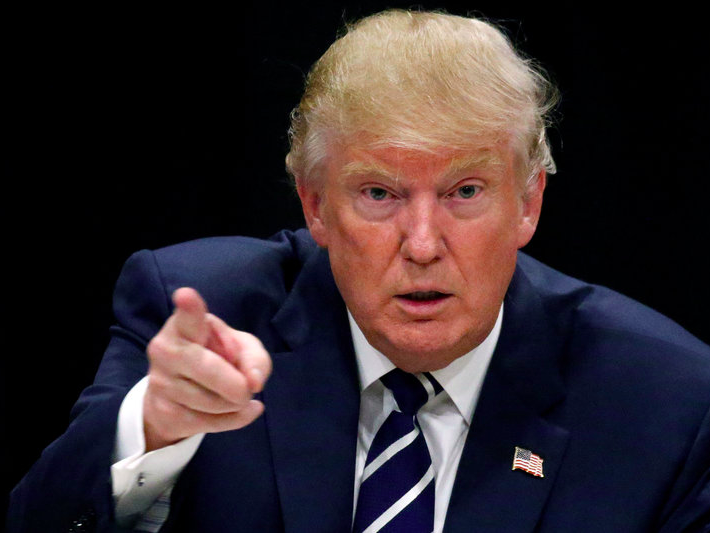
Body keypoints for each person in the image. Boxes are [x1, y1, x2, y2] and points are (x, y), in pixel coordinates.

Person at [9, 9, 710, 533]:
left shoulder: (663, 399)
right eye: (380, 194)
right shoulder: (206, 318)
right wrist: (153, 427)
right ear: (315, 205)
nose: (424, 243)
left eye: (466, 191)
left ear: (528, 203)